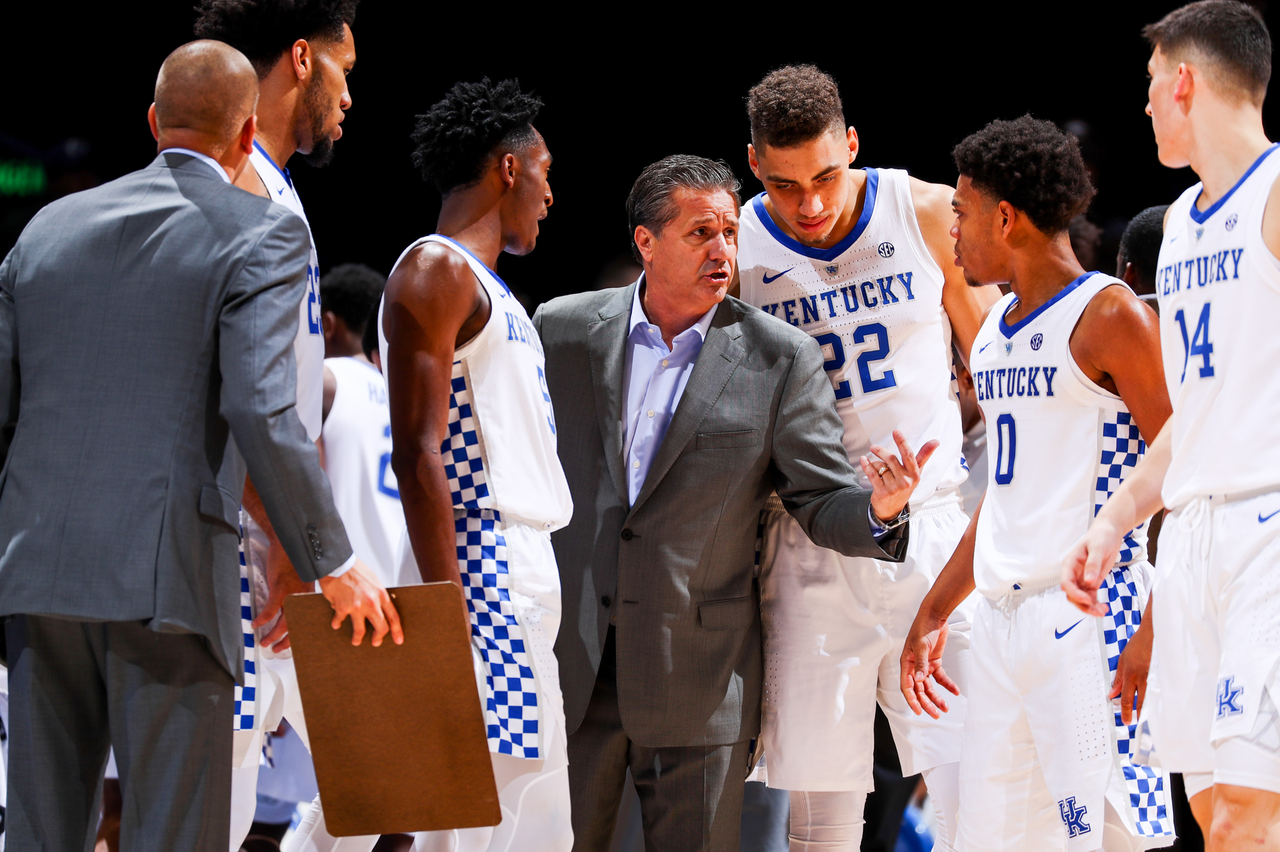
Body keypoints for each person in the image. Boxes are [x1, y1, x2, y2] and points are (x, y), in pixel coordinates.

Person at [0, 40, 398, 852]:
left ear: (153, 121)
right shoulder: (260, 232)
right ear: (248, 134)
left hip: (37, 571)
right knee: (176, 833)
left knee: (40, 835)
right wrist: (327, 557)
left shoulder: (44, 228)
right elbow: (261, 408)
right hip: (171, 580)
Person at [534, 153, 935, 852]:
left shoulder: (779, 357)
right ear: (646, 242)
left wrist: (880, 510)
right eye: (700, 234)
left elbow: (820, 497)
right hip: (576, 660)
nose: (723, 250)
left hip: (703, 675)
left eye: (729, 232)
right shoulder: (561, 330)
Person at [288, 77, 573, 852]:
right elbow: (419, 451)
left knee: (529, 809)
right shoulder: (433, 270)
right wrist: (447, 614)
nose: (550, 193)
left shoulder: (490, 288)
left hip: (521, 560)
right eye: (544, 171)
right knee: (464, 807)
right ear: (509, 169)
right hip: (480, 559)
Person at [733, 65, 1001, 851]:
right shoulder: (737, 242)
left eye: (825, 174)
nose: (810, 204)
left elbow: (997, 363)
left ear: (852, 144)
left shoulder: (923, 209)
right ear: (755, 165)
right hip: (809, 539)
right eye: (786, 186)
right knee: (822, 826)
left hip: (934, 531)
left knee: (968, 797)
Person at [899, 116, 1174, 851]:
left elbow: (1184, 466)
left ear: (1005, 216)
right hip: (998, 621)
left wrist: (1158, 618)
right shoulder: (991, 333)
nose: (951, 232)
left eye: (960, 213)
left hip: (1092, 616)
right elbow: (1008, 496)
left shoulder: (1109, 313)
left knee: (1110, 836)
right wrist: (934, 609)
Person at [1063, 3, 1280, 849]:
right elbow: (1190, 418)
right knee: (1207, 809)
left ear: (1184, 81)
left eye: (1152, 87)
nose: (1147, 105)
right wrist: (1116, 520)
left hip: (1266, 522)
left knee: (1246, 815)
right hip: (1190, 536)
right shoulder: (1180, 225)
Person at [191, 2, 371, 845]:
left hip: (266, 550)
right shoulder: (237, 184)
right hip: (231, 553)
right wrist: (304, 549)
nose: (349, 95)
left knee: (385, 780)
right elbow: (242, 395)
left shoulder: (273, 186)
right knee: (205, 815)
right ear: (304, 58)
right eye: (347, 69)